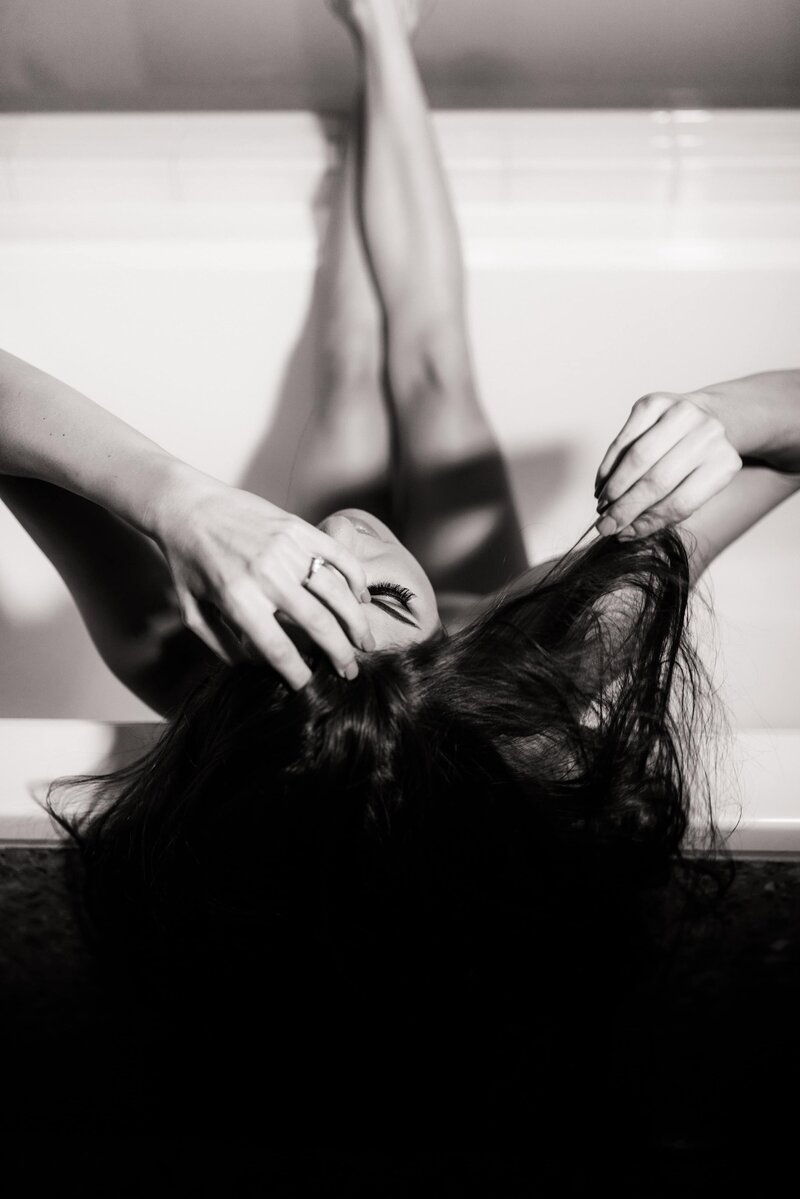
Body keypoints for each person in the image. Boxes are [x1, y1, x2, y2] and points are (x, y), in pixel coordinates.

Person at [1, 0, 799, 1139]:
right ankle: (385, 32)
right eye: (375, 595)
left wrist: (168, 496)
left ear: (248, 673)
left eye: (308, 601)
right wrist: (734, 411)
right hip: (492, 610)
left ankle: (368, 76)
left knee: (342, 366)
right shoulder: (554, 652)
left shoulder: (169, 657)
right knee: (427, 360)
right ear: (452, 647)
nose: (339, 542)